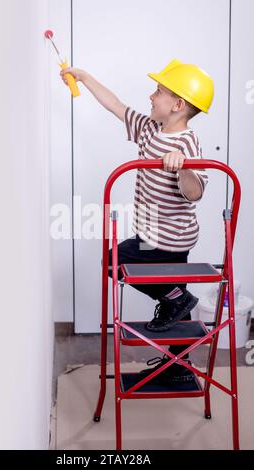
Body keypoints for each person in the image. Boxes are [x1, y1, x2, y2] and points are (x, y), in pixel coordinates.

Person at [60, 59, 214, 382]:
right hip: (151, 232)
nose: (151, 96)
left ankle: (175, 298)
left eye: (158, 92)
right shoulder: (148, 129)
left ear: (177, 105)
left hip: (170, 238)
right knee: (177, 308)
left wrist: (183, 165)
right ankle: (179, 365)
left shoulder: (186, 142)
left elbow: (195, 191)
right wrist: (85, 77)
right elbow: (116, 105)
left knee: (115, 260)